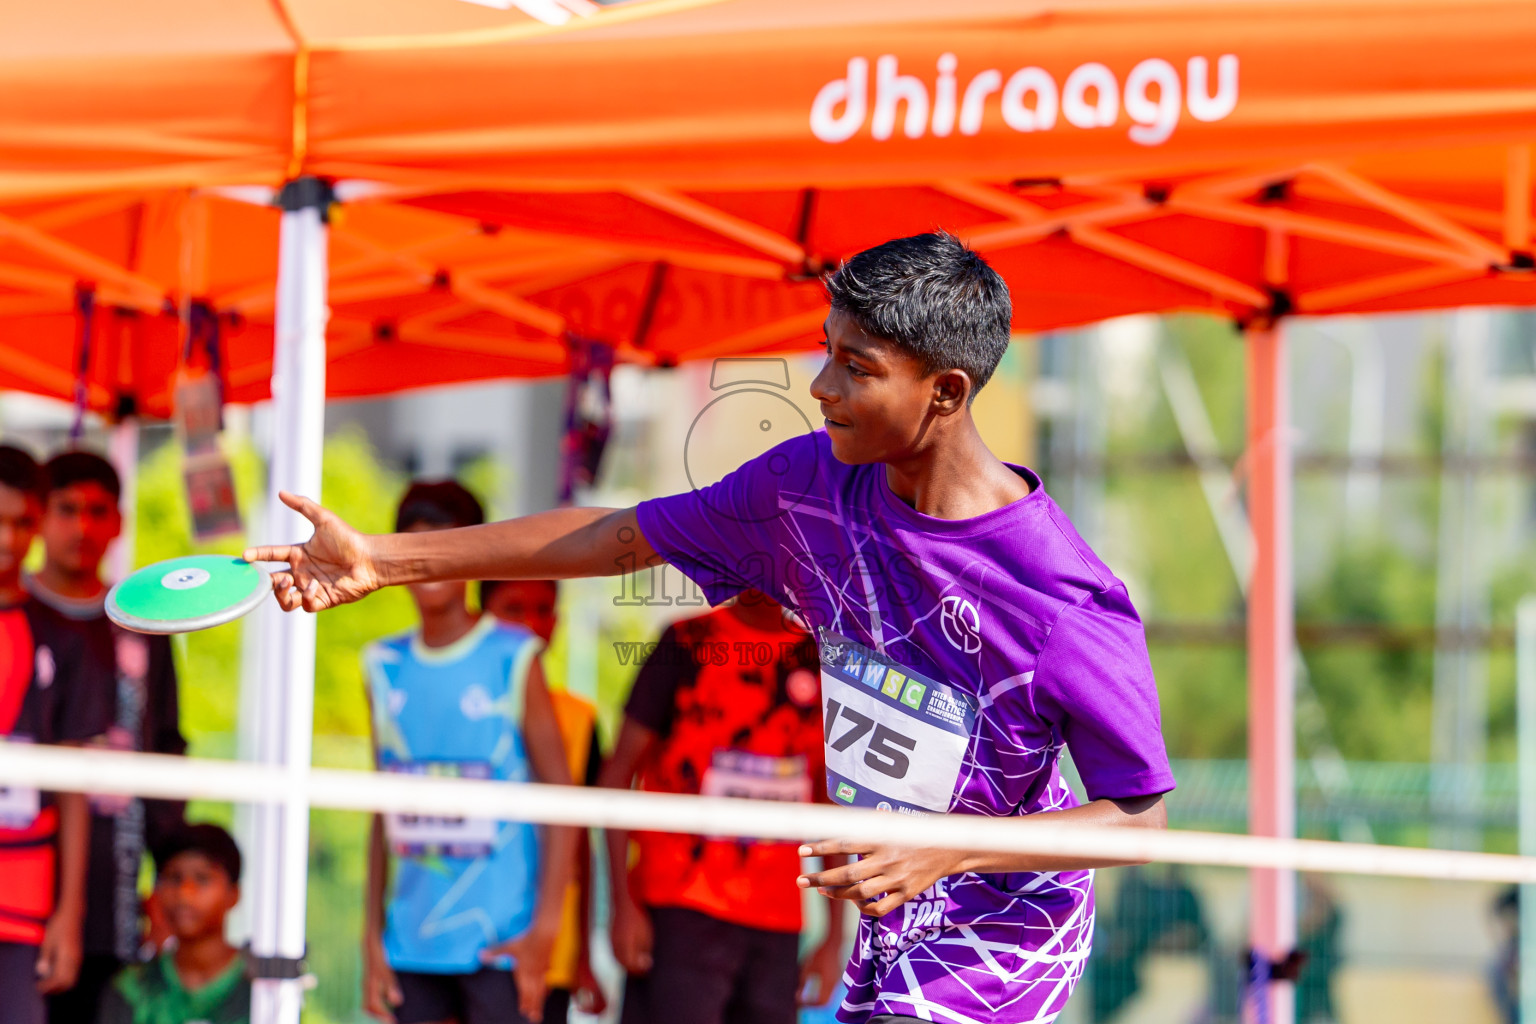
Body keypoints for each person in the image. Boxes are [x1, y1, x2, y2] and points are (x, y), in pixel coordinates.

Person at [248, 232, 1176, 1024]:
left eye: (857, 368)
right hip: (888, 917)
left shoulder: (1063, 599)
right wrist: (385, 558)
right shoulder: (805, 489)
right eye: (826, 351)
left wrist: (949, 846)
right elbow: (619, 539)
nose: (819, 385)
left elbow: (1140, 818)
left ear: (945, 391)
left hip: (1002, 938)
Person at [362, 483, 575, 1024]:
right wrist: (371, 937)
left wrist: (545, 930)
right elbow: (378, 810)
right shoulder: (380, 664)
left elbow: (565, 802)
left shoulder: (513, 653)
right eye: (415, 547)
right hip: (409, 942)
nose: (430, 565)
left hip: (500, 941)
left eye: (446, 547)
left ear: (476, 554)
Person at [599, 588, 845, 1024]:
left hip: (777, 919)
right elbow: (618, 774)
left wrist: (834, 938)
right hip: (679, 909)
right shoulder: (687, 641)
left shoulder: (819, 660)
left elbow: (828, 806)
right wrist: (623, 906)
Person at [30, 451, 187, 1024]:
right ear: (37, 516)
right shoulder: (14, 616)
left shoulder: (143, 620)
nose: (82, 526)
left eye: (97, 511)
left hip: (117, 893)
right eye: (66, 509)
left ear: (119, 520)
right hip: (18, 885)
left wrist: (168, 879)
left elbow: (167, 750)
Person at [0, 446, 111, 1024]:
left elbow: (74, 786)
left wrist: (69, 915)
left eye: (21, 522)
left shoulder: (66, 639)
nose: (8, 538)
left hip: (24, 895)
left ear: (39, 523)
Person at [480, 578, 607, 1023]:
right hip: (463, 943)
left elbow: (582, 843)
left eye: (543, 609)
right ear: (482, 616)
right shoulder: (459, 706)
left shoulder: (580, 718)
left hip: (550, 951)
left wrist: (585, 955)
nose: (531, 624)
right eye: (514, 608)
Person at [97, 823, 250, 1024]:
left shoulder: (263, 988)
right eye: (174, 878)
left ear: (234, 894)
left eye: (202, 879)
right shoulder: (132, 989)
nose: (184, 894)